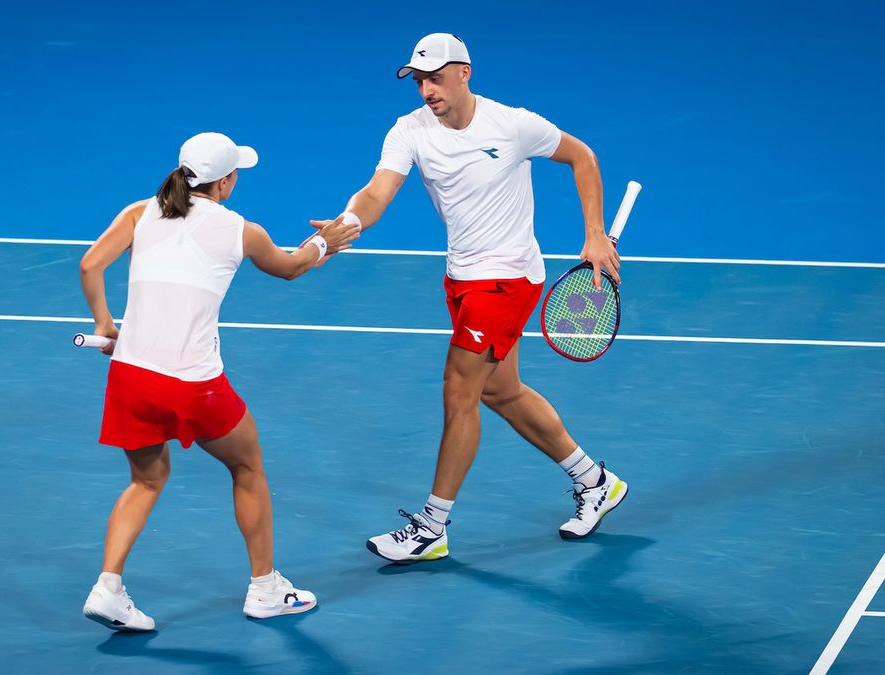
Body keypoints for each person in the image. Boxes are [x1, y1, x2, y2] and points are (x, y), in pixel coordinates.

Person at [311, 34, 629, 563]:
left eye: (434, 77)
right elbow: (377, 190)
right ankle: (595, 481)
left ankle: (432, 525)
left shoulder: (513, 124)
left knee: (459, 390)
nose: (425, 89)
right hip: (462, 276)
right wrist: (347, 224)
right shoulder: (409, 130)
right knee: (501, 392)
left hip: (507, 279)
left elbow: (583, 157)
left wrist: (594, 233)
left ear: (465, 73)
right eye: (418, 79)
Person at [78, 132, 359, 629]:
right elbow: (291, 268)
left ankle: (108, 587)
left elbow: (90, 265)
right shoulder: (240, 229)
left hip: (130, 377)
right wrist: (326, 242)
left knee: (146, 479)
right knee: (247, 465)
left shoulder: (139, 212)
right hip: (192, 384)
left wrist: (105, 325)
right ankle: (266, 589)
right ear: (225, 181)